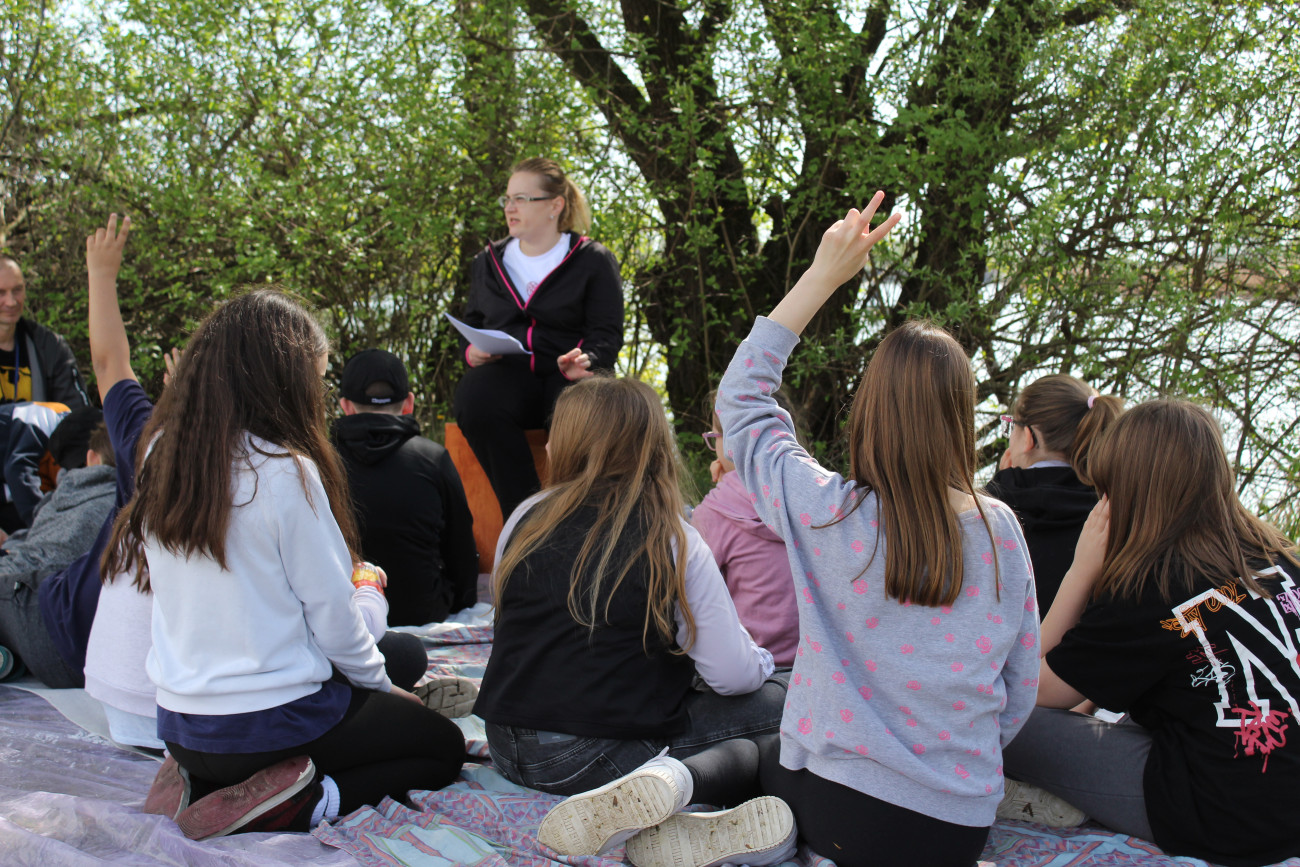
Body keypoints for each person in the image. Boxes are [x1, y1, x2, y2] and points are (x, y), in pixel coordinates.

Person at [538, 196, 1040, 867]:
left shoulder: (826, 508)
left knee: (764, 750)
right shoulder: (1000, 527)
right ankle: (767, 833)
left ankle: (686, 789)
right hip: (954, 829)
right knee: (785, 753)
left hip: (841, 809)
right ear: (960, 415)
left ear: (871, 410)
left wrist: (823, 277)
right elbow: (1019, 690)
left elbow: (742, 399)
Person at [99, 234, 465, 838]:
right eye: (315, 379)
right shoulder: (282, 470)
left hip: (186, 730)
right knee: (441, 746)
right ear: (281, 380)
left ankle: (209, 781)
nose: (318, 396)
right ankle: (305, 799)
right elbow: (334, 621)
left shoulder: (162, 453)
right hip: (270, 724)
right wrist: (384, 695)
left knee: (399, 655)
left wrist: (378, 676)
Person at [474, 375, 790, 864]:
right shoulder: (672, 537)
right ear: (655, 444)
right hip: (595, 755)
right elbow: (732, 676)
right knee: (784, 701)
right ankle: (673, 798)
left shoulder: (525, 516)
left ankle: (656, 810)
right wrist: (767, 661)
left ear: (569, 442)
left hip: (506, 743)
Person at [1001, 399, 1300, 867]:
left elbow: (1027, 686)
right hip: (1280, 796)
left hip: (1229, 813)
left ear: (1129, 489)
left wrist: (1083, 570)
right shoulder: (1281, 558)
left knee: (1001, 716)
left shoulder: (1155, 584)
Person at [453, 158, 623, 521]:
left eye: (521, 199)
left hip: (568, 379)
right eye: (507, 199)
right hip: (507, 377)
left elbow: (606, 335)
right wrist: (472, 352)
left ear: (555, 206)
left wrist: (587, 360)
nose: (509, 208)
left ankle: (587, 520)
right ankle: (526, 517)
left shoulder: (593, 260)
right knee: (474, 396)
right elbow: (472, 323)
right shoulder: (487, 261)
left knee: (581, 408)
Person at [332, 348, 478, 626]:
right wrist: (463, 602)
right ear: (409, 403)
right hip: (423, 611)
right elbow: (461, 549)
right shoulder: (433, 458)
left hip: (345, 615)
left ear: (346, 406)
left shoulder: (321, 462)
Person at [985, 375, 1123, 614]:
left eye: (1011, 427)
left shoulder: (988, 510)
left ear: (1028, 437)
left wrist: (999, 487)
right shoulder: (1112, 512)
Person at [0, 418, 116, 684]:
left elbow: (38, 556)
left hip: (54, 622)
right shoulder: (134, 502)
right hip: (65, 629)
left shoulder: (74, 494)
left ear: (91, 458)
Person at [690, 391, 799, 668]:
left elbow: (690, 594)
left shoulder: (715, 514)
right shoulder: (811, 495)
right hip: (812, 664)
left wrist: (723, 491)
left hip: (756, 668)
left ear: (732, 443)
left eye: (715, 438)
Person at [0, 256, 90, 408]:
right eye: (1, 293)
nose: (11, 302)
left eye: (17, 290)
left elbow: (78, 413)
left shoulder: (48, 346)